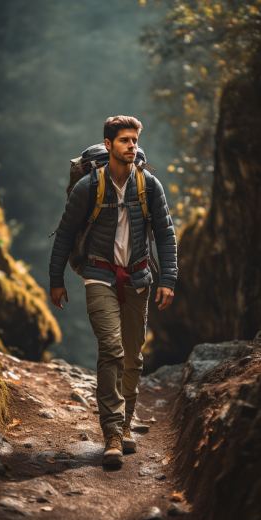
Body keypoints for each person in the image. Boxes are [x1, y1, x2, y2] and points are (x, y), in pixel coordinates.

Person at [49, 116, 177, 466]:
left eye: (134, 140)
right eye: (124, 140)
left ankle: (125, 423)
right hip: (99, 276)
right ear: (108, 145)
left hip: (139, 278)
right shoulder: (87, 188)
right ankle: (112, 435)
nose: (131, 146)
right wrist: (55, 280)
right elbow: (64, 234)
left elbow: (165, 234)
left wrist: (168, 279)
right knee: (112, 350)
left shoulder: (149, 185)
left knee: (134, 357)